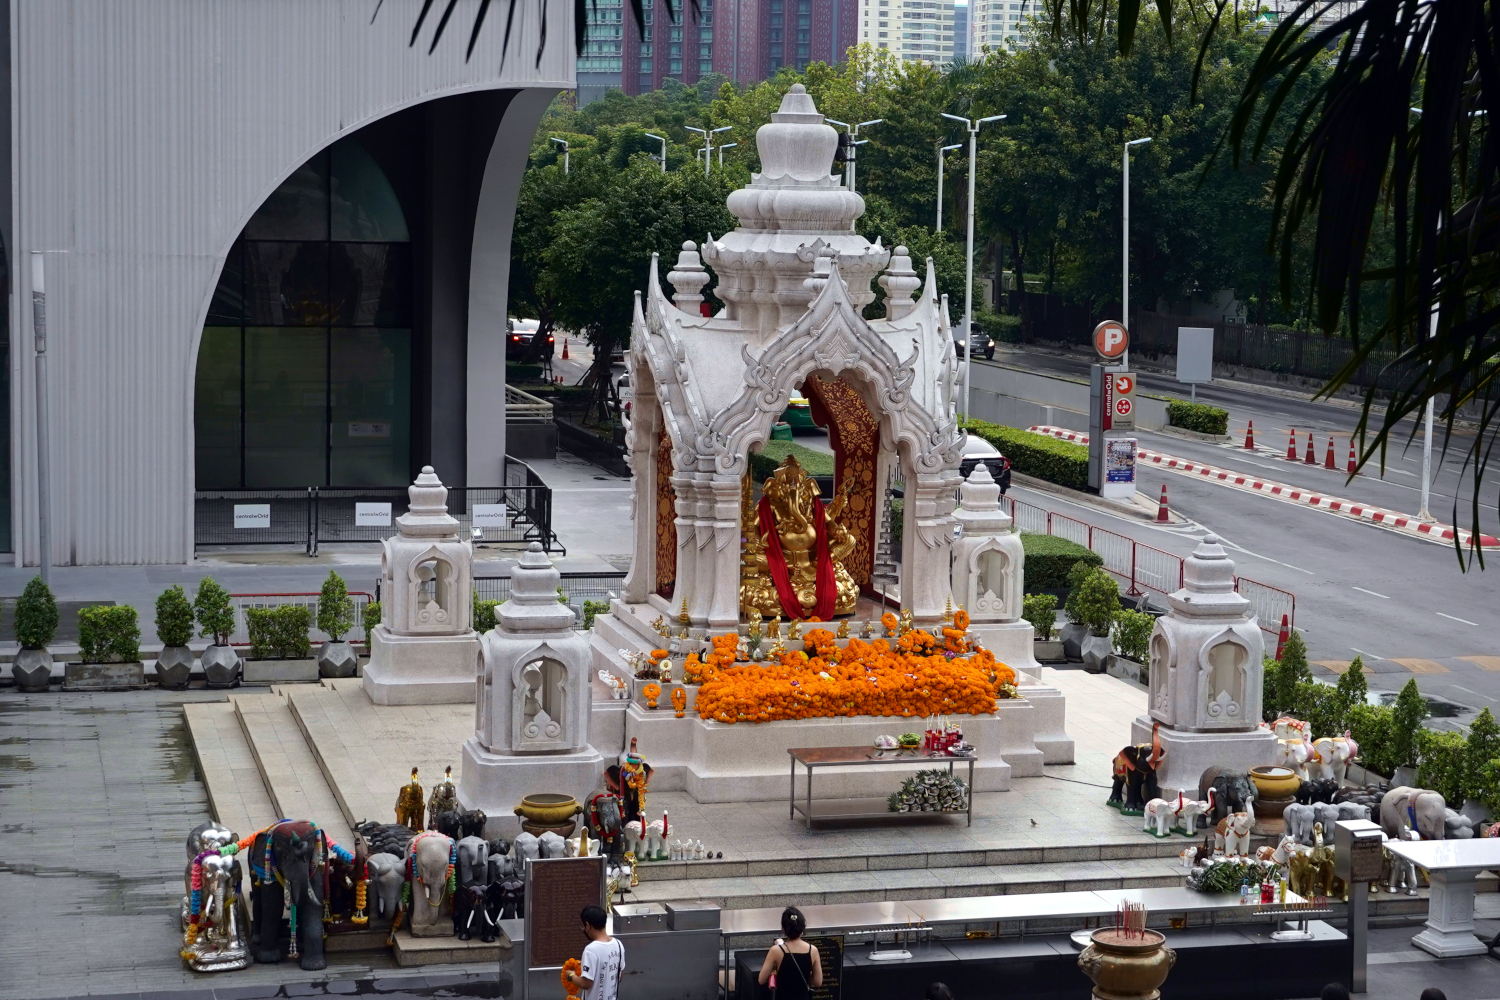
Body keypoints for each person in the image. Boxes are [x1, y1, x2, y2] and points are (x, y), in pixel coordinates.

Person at [757, 906, 822, 1000]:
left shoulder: (776, 951)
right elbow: (818, 982)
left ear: (783, 929)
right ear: (803, 928)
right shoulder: (813, 950)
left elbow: (761, 980)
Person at [565, 905, 624, 1000]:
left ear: (588, 925)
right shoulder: (618, 944)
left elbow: (586, 984)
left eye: (583, 926)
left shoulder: (591, 950)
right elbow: (619, 976)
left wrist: (571, 976)